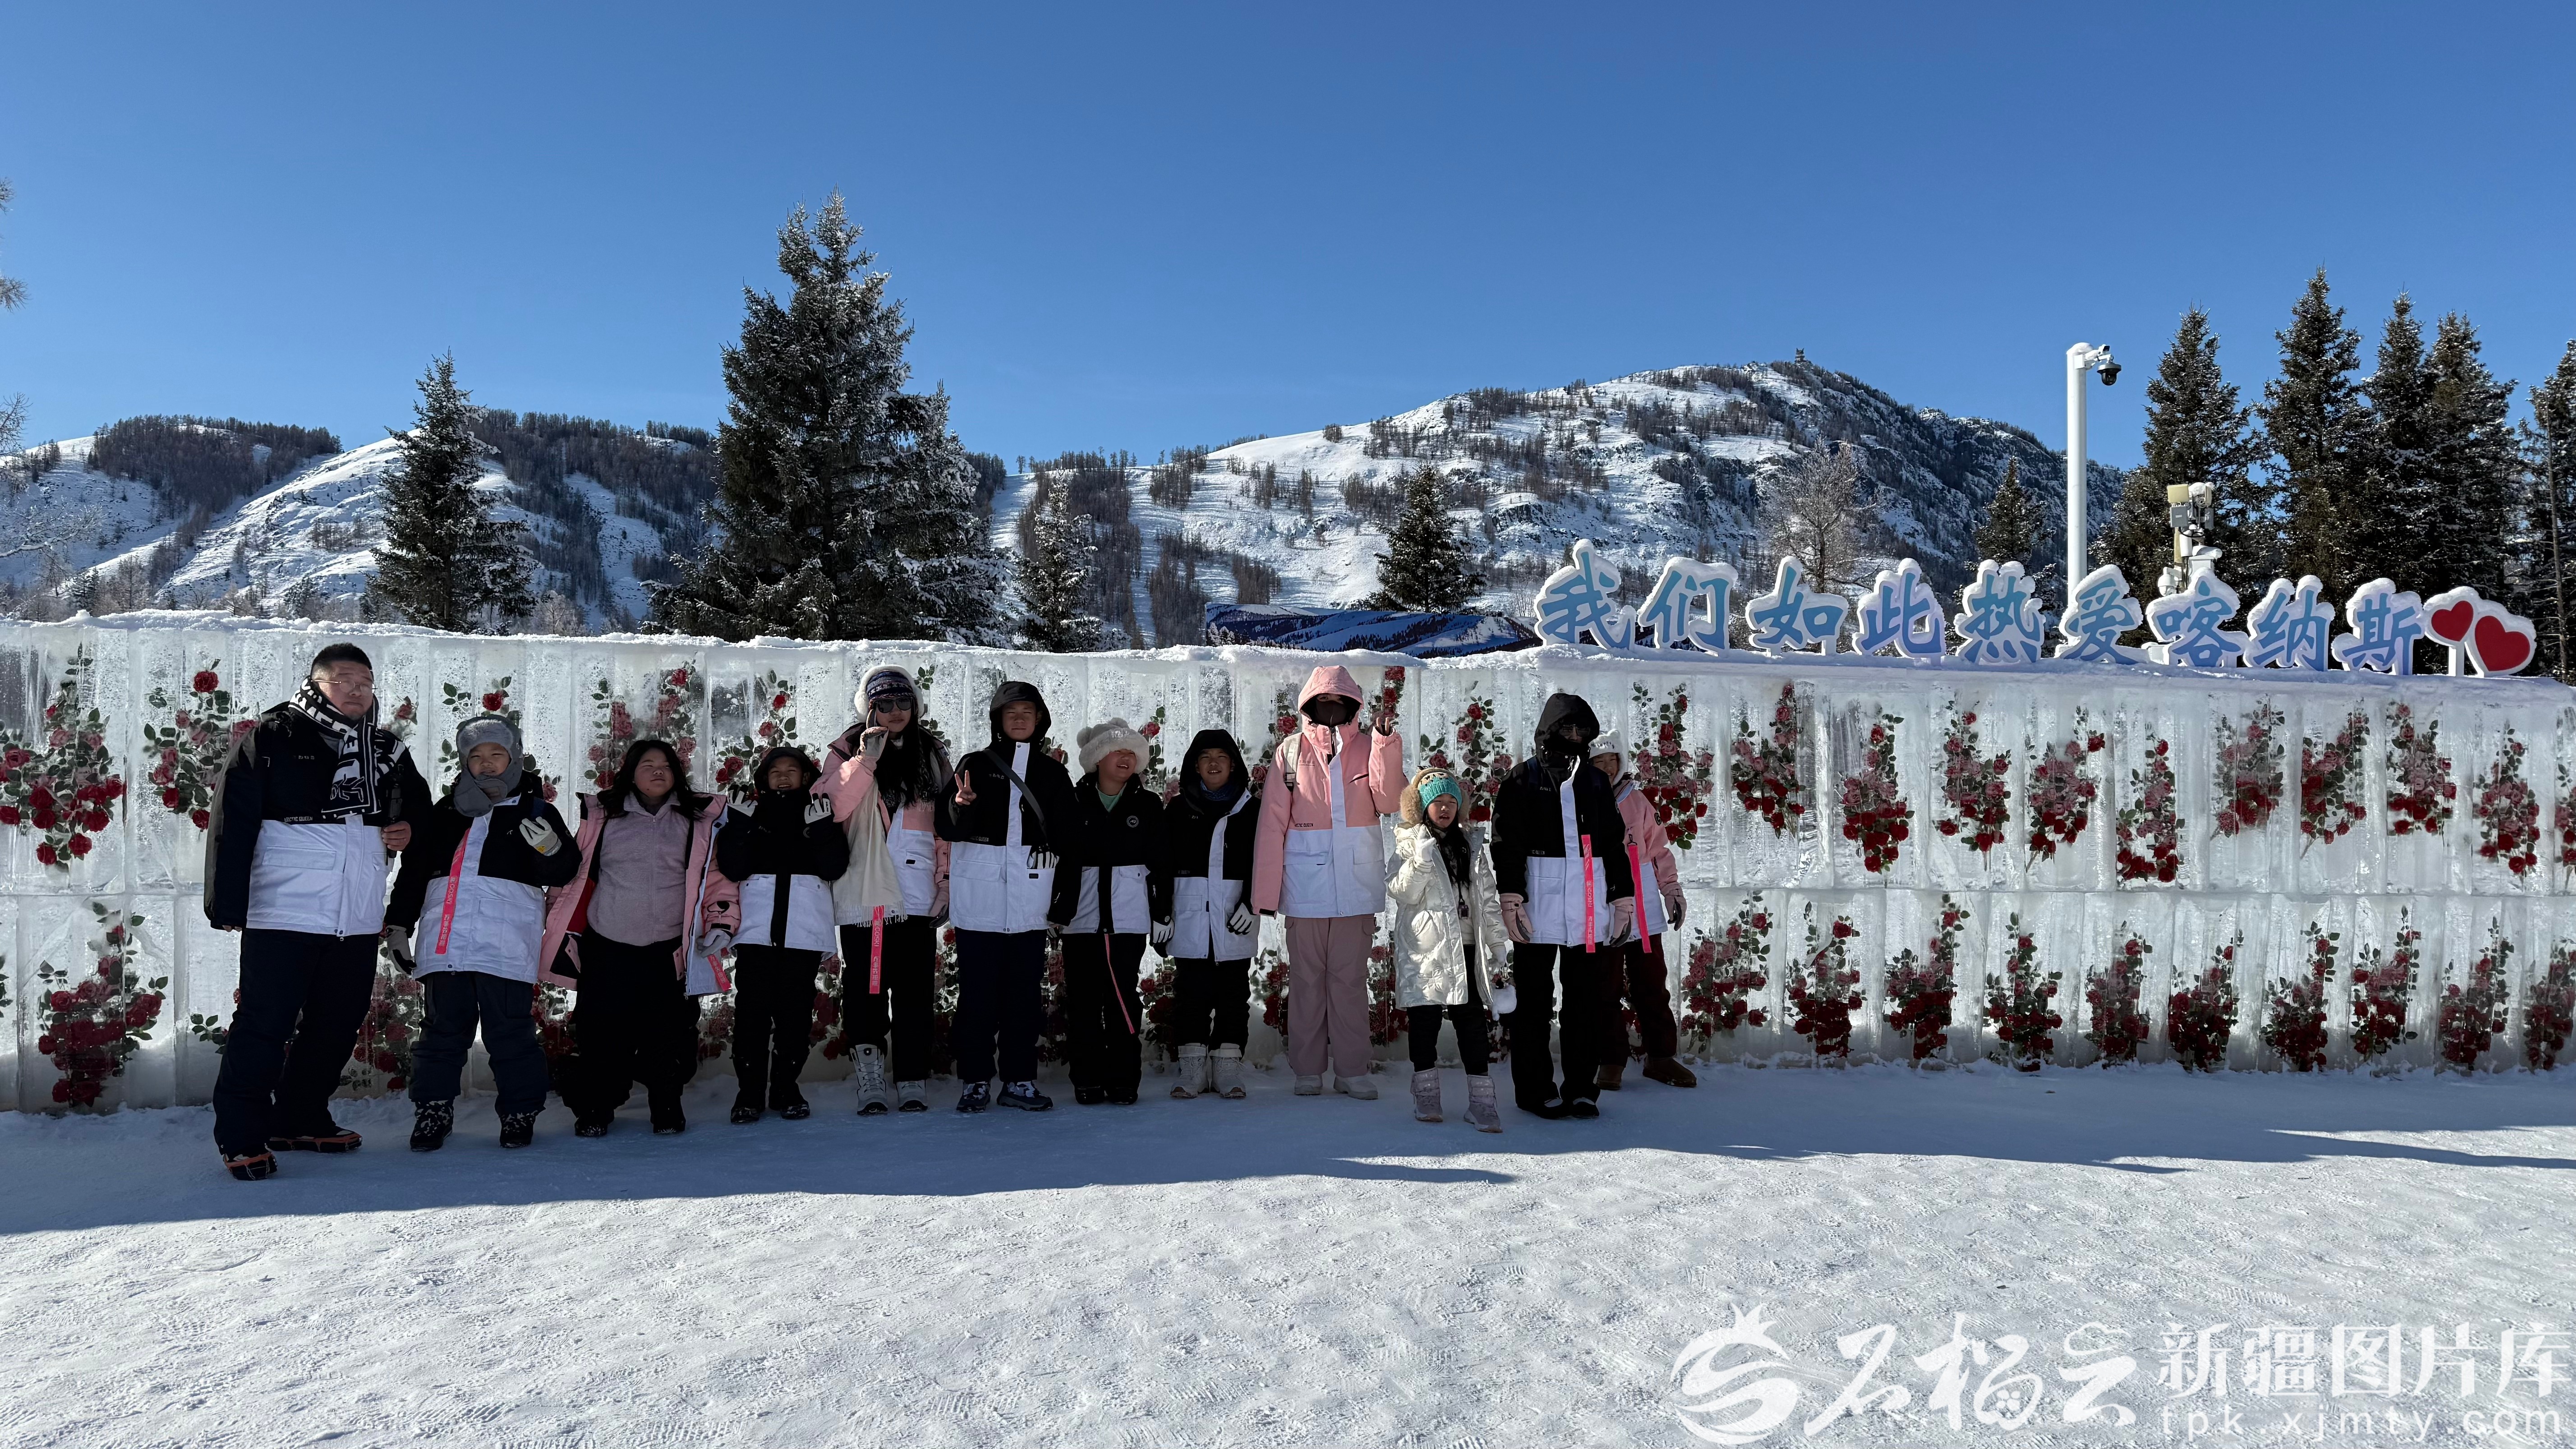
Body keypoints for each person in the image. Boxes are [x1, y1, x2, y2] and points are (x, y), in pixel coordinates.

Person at [203, 642, 429, 1182]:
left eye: (366, 683)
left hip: (356, 914)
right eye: (344, 680)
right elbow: (232, 819)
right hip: (284, 910)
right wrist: (227, 903)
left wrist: (407, 829)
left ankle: (299, 1118)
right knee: (265, 1025)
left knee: (337, 1023)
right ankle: (241, 1135)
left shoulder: (387, 750)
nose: (357, 691)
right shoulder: (273, 737)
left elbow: (420, 813)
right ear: (315, 683)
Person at [385, 714, 580, 1151]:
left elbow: (564, 872)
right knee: (441, 1031)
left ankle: (520, 1112)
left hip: (506, 942)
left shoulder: (536, 810)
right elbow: (414, 873)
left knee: (509, 1031)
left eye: (497, 754)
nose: (487, 763)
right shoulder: (445, 812)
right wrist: (399, 924)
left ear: (514, 759)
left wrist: (550, 849)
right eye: (477, 756)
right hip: (447, 940)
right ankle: (433, 1109)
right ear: (465, 762)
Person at [538, 739, 737, 1137]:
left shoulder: (697, 820)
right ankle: (596, 1108)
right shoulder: (603, 816)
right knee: (601, 1034)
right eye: (647, 764)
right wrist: (550, 916)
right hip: (607, 946)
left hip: (668, 950)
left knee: (669, 1035)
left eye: (666, 764)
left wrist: (721, 922)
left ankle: (666, 1106)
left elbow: (715, 879)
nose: (658, 771)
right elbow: (575, 875)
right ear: (630, 772)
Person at [1251, 665, 1405, 1099]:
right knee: (1306, 982)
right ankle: (1308, 1068)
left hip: (1355, 888)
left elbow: (1389, 801)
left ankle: (1353, 1070)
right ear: (1309, 706)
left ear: (1354, 705)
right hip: (1306, 891)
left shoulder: (1370, 746)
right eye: (1324, 701)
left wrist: (1386, 744)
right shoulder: (1290, 751)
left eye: (1341, 701)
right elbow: (1271, 826)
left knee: (1350, 982)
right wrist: (1265, 895)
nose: (1332, 708)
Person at [936, 680, 1080, 1113]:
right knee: (976, 997)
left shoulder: (1053, 773)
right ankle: (975, 1080)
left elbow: (1071, 843)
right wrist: (960, 805)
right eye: (1011, 713)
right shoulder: (975, 765)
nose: (1019, 719)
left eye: (1027, 713)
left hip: (1030, 903)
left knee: (1024, 998)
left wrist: (1064, 901)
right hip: (978, 902)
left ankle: (1020, 1079)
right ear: (997, 719)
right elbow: (948, 829)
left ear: (1040, 721)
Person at [1490, 692, 1634, 1120]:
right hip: (1537, 908)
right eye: (1566, 728)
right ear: (1548, 730)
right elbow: (1506, 843)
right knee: (1534, 1003)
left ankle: (1582, 1088)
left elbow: (1614, 843)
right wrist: (1511, 896)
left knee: (1584, 1002)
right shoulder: (1522, 779)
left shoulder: (1595, 781)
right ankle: (1535, 1089)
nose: (1573, 736)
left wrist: (1622, 898)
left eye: (1581, 729)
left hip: (1587, 909)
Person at [816, 667, 948, 1115]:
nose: (896, 711)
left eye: (903, 702)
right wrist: (864, 761)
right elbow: (831, 807)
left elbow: (944, 827)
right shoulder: (847, 748)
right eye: (885, 703)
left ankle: (912, 1075)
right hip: (869, 895)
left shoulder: (931, 752)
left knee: (914, 992)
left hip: (917, 894)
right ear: (869, 708)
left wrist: (945, 882)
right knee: (869, 989)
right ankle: (870, 1077)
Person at [713, 745, 850, 1124]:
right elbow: (733, 868)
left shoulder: (819, 812)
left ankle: (786, 1089)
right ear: (764, 778)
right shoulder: (750, 814)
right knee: (751, 1016)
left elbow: (835, 868)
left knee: (795, 1017)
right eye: (776, 771)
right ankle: (749, 1093)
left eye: (793, 769)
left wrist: (823, 831)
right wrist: (738, 826)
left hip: (803, 934)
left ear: (806, 776)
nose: (785, 776)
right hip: (757, 933)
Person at [1052, 718, 1169, 1106]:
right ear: (1097, 757)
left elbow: (1161, 865)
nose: (1125, 757)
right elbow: (1059, 860)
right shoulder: (1072, 802)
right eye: (1117, 750)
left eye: (1132, 752)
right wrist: (1054, 910)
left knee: (1122, 998)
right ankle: (1086, 1078)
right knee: (1084, 1001)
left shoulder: (1148, 805)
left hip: (1128, 919)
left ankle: (1123, 1079)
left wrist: (1162, 912)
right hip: (1081, 919)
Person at [1387, 768, 1508, 1132]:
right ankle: (1426, 1095)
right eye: (1437, 801)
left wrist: (1497, 943)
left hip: (1467, 946)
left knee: (1472, 1022)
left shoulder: (1471, 844)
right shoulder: (1408, 842)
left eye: (1451, 801)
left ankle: (1482, 1101)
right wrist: (1422, 862)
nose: (1444, 808)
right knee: (1424, 1021)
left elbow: (1488, 898)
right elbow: (1401, 891)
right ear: (1422, 806)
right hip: (1425, 950)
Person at [1589, 727, 1696, 1091]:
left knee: (1651, 981)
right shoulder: (1579, 800)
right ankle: (1611, 1059)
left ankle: (1661, 1056)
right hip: (1603, 903)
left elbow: (1659, 850)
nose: (1607, 767)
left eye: (1612, 760)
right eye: (1599, 762)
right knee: (1604, 985)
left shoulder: (1637, 801)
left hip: (1643, 902)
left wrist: (1671, 891)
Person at [1159, 729, 1260, 1100]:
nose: (1214, 763)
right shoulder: (1178, 809)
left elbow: (1265, 861)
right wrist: (1160, 911)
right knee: (1191, 994)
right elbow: (1161, 864)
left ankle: (1228, 1068)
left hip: (1235, 917)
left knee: (1234, 994)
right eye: (1205, 757)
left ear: (1233, 764)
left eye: (1221, 756)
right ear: (1195, 765)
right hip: (1190, 919)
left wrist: (1253, 902)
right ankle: (1192, 1069)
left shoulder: (1251, 809)